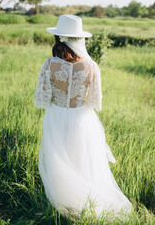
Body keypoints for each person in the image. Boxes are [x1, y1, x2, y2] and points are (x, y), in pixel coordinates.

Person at [35, 15, 132, 220]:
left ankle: (63, 204)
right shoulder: (91, 66)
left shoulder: (49, 64)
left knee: (58, 160)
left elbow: (43, 97)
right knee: (81, 159)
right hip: (81, 119)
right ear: (79, 39)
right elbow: (95, 101)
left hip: (56, 116)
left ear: (59, 38)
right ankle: (84, 203)